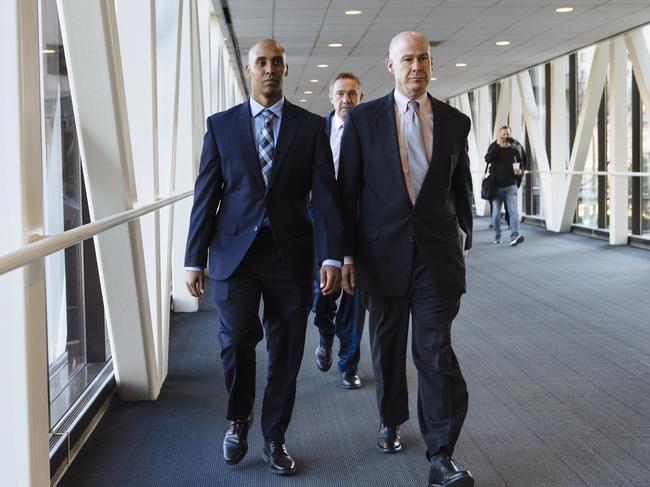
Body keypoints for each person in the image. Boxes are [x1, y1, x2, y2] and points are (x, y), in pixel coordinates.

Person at [184, 39, 343, 476]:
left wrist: (331, 257)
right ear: (249, 69)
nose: (269, 69)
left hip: (290, 255)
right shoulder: (221, 126)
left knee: (286, 350)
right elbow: (206, 196)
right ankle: (239, 418)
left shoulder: (310, 128)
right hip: (235, 254)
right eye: (261, 62)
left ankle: (275, 436)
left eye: (276, 62)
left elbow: (326, 199)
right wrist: (193, 259)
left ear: (285, 69)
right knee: (235, 341)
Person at [338, 31, 474, 487]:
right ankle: (391, 420)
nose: (417, 67)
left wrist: (465, 236)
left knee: (434, 351)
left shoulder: (455, 121)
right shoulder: (363, 120)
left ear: (431, 64)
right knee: (389, 347)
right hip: (381, 256)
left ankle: (441, 454)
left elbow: (461, 186)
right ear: (390, 66)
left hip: (436, 259)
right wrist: (347, 253)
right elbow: (347, 192)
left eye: (424, 59)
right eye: (408, 60)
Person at [312, 73, 367, 389]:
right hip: (321, 223)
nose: (346, 100)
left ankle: (349, 363)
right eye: (340, 94)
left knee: (354, 297)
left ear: (360, 97)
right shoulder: (316, 130)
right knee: (321, 296)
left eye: (352, 94)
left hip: (360, 224)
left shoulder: (370, 130)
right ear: (331, 97)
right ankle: (325, 334)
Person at [484, 126, 526, 246]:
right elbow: (487, 159)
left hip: (510, 186)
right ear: (499, 135)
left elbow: (521, 164)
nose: (505, 137)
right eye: (503, 134)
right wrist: (497, 145)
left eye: (507, 134)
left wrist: (520, 172)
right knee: (496, 214)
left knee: (513, 212)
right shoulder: (494, 146)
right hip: (496, 187)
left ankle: (514, 236)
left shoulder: (514, 150)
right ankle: (497, 234)